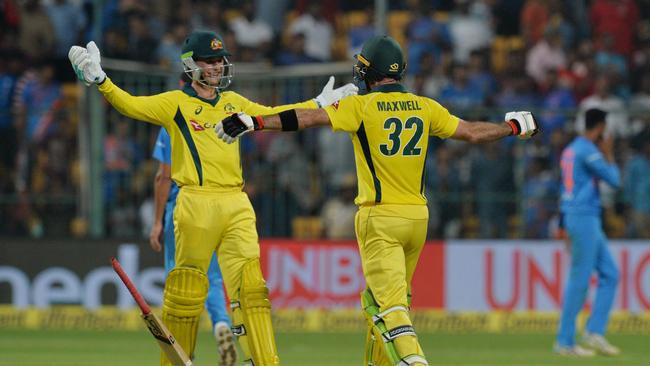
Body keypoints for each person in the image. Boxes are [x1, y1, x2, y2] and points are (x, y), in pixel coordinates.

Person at [216, 35, 538, 366]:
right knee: (379, 301)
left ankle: (414, 361)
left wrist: (255, 122)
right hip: (417, 219)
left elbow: (307, 118)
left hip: (379, 218)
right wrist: (511, 127)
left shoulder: (362, 105)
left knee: (391, 308)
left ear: (371, 70)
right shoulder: (426, 106)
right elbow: (471, 132)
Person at [68, 30, 357, 366]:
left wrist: (318, 104)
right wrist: (102, 80)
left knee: (252, 289)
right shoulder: (175, 103)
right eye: (210, 61)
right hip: (195, 203)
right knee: (185, 292)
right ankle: (176, 361)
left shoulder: (235, 103)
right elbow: (131, 105)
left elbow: (275, 114)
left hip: (236, 203)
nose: (218, 66)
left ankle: (265, 361)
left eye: (221, 60)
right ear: (191, 65)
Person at [149, 126, 236, 365]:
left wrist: (157, 221)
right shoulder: (217, 119)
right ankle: (221, 323)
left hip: (182, 208)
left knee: (180, 282)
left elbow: (163, 176)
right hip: (215, 208)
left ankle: (184, 349)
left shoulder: (171, 121)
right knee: (213, 277)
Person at [555, 108, 621, 357]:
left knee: (610, 273)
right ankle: (564, 341)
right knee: (580, 279)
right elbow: (614, 181)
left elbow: (564, 187)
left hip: (578, 215)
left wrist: (562, 222)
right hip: (584, 217)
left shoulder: (571, 149)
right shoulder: (589, 151)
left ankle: (594, 332)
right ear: (601, 128)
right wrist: (609, 153)